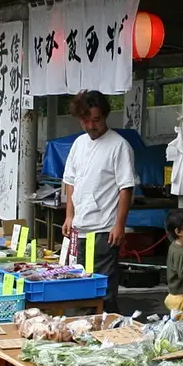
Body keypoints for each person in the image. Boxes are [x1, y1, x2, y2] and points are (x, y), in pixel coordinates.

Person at [62, 90, 136, 315]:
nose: (91, 125)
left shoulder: (119, 145)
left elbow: (126, 187)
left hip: (104, 230)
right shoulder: (79, 144)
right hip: (78, 229)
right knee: (77, 283)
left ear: (104, 116)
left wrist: (119, 224)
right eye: (85, 120)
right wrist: (69, 215)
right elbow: (70, 182)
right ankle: (82, 329)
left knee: (103, 289)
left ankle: (109, 329)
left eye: (96, 120)